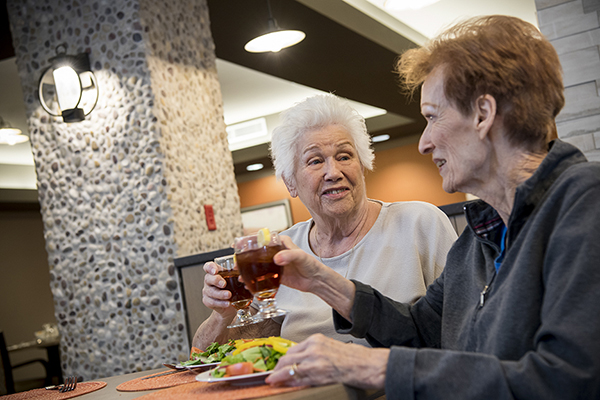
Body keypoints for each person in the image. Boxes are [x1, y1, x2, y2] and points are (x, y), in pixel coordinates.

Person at [266, 15, 600, 399]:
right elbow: (423, 329)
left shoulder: (584, 202)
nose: (424, 142)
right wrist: (321, 280)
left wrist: (377, 367)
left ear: (483, 114)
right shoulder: (482, 235)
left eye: (432, 117)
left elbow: (568, 381)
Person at [192, 94, 458, 349]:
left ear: (362, 165)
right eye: (315, 161)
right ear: (290, 183)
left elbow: (464, 330)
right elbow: (225, 354)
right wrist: (223, 314)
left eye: (344, 156)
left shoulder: (420, 224)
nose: (334, 172)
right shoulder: (281, 251)